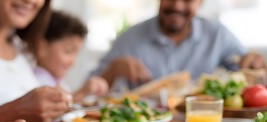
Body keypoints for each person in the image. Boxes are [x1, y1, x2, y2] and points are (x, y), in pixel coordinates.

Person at [91, 0, 267, 89]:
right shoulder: (130, 38)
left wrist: (256, 66)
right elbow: (91, 90)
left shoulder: (217, 35)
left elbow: (248, 70)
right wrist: (114, 69)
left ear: (200, 2)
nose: (177, 6)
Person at [34, 10, 109, 103]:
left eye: (76, 54)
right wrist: (83, 92)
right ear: (42, 48)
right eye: (68, 51)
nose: (73, 61)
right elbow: (55, 110)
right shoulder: (37, 82)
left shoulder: (58, 82)